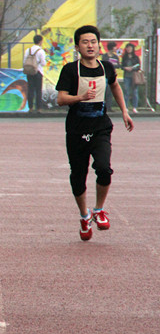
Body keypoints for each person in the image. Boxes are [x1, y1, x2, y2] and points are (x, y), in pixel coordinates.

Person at [55, 25, 134, 241]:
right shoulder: (70, 70)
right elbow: (61, 99)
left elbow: (115, 86)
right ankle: (84, 215)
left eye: (93, 42)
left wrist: (124, 111)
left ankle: (99, 210)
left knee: (104, 168)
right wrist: (79, 97)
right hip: (76, 129)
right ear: (77, 47)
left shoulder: (107, 67)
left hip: (100, 127)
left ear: (99, 45)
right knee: (78, 175)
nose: (90, 46)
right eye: (85, 42)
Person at [23, 34, 46, 112]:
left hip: (29, 72)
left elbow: (24, 61)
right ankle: (38, 108)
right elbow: (43, 63)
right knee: (38, 90)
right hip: (38, 72)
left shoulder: (28, 50)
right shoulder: (41, 51)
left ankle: (30, 107)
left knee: (30, 90)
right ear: (40, 41)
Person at [120, 43, 141, 114]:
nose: (129, 49)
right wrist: (125, 68)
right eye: (128, 48)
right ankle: (126, 107)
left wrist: (132, 68)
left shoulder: (136, 57)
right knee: (126, 91)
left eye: (130, 48)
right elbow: (122, 66)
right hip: (126, 76)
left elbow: (138, 66)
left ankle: (135, 107)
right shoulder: (124, 57)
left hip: (134, 76)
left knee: (135, 91)